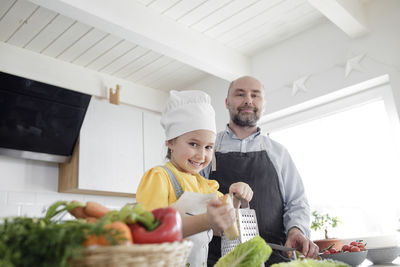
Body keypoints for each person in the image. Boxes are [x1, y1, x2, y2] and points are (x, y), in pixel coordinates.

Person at [200, 76, 319, 266]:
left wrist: (296, 230)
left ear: (263, 104)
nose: (248, 100)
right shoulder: (207, 149)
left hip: (275, 259)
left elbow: (297, 202)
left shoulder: (279, 153)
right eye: (240, 94)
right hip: (218, 260)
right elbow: (194, 201)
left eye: (255, 95)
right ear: (226, 102)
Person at [136, 90, 253, 267]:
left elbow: (224, 228)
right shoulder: (159, 177)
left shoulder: (205, 185)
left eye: (208, 147)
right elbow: (151, 232)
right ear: (170, 141)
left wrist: (236, 197)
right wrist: (207, 220)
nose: (201, 155)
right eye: (193, 144)